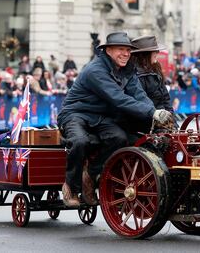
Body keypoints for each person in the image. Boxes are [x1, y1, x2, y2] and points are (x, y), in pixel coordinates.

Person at [57, 32, 171, 207]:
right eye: (121, 49)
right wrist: (152, 113)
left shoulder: (128, 69)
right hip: (76, 113)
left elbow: (139, 95)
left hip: (100, 116)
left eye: (128, 50)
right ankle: (71, 186)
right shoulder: (95, 70)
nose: (125, 54)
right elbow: (119, 99)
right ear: (108, 50)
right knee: (79, 141)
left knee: (120, 138)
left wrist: (154, 113)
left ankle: (91, 173)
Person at [130, 35, 176, 133]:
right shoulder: (133, 73)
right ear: (144, 54)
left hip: (162, 118)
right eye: (154, 50)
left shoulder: (155, 68)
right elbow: (139, 102)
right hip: (146, 121)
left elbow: (165, 97)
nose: (158, 52)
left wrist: (171, 118)